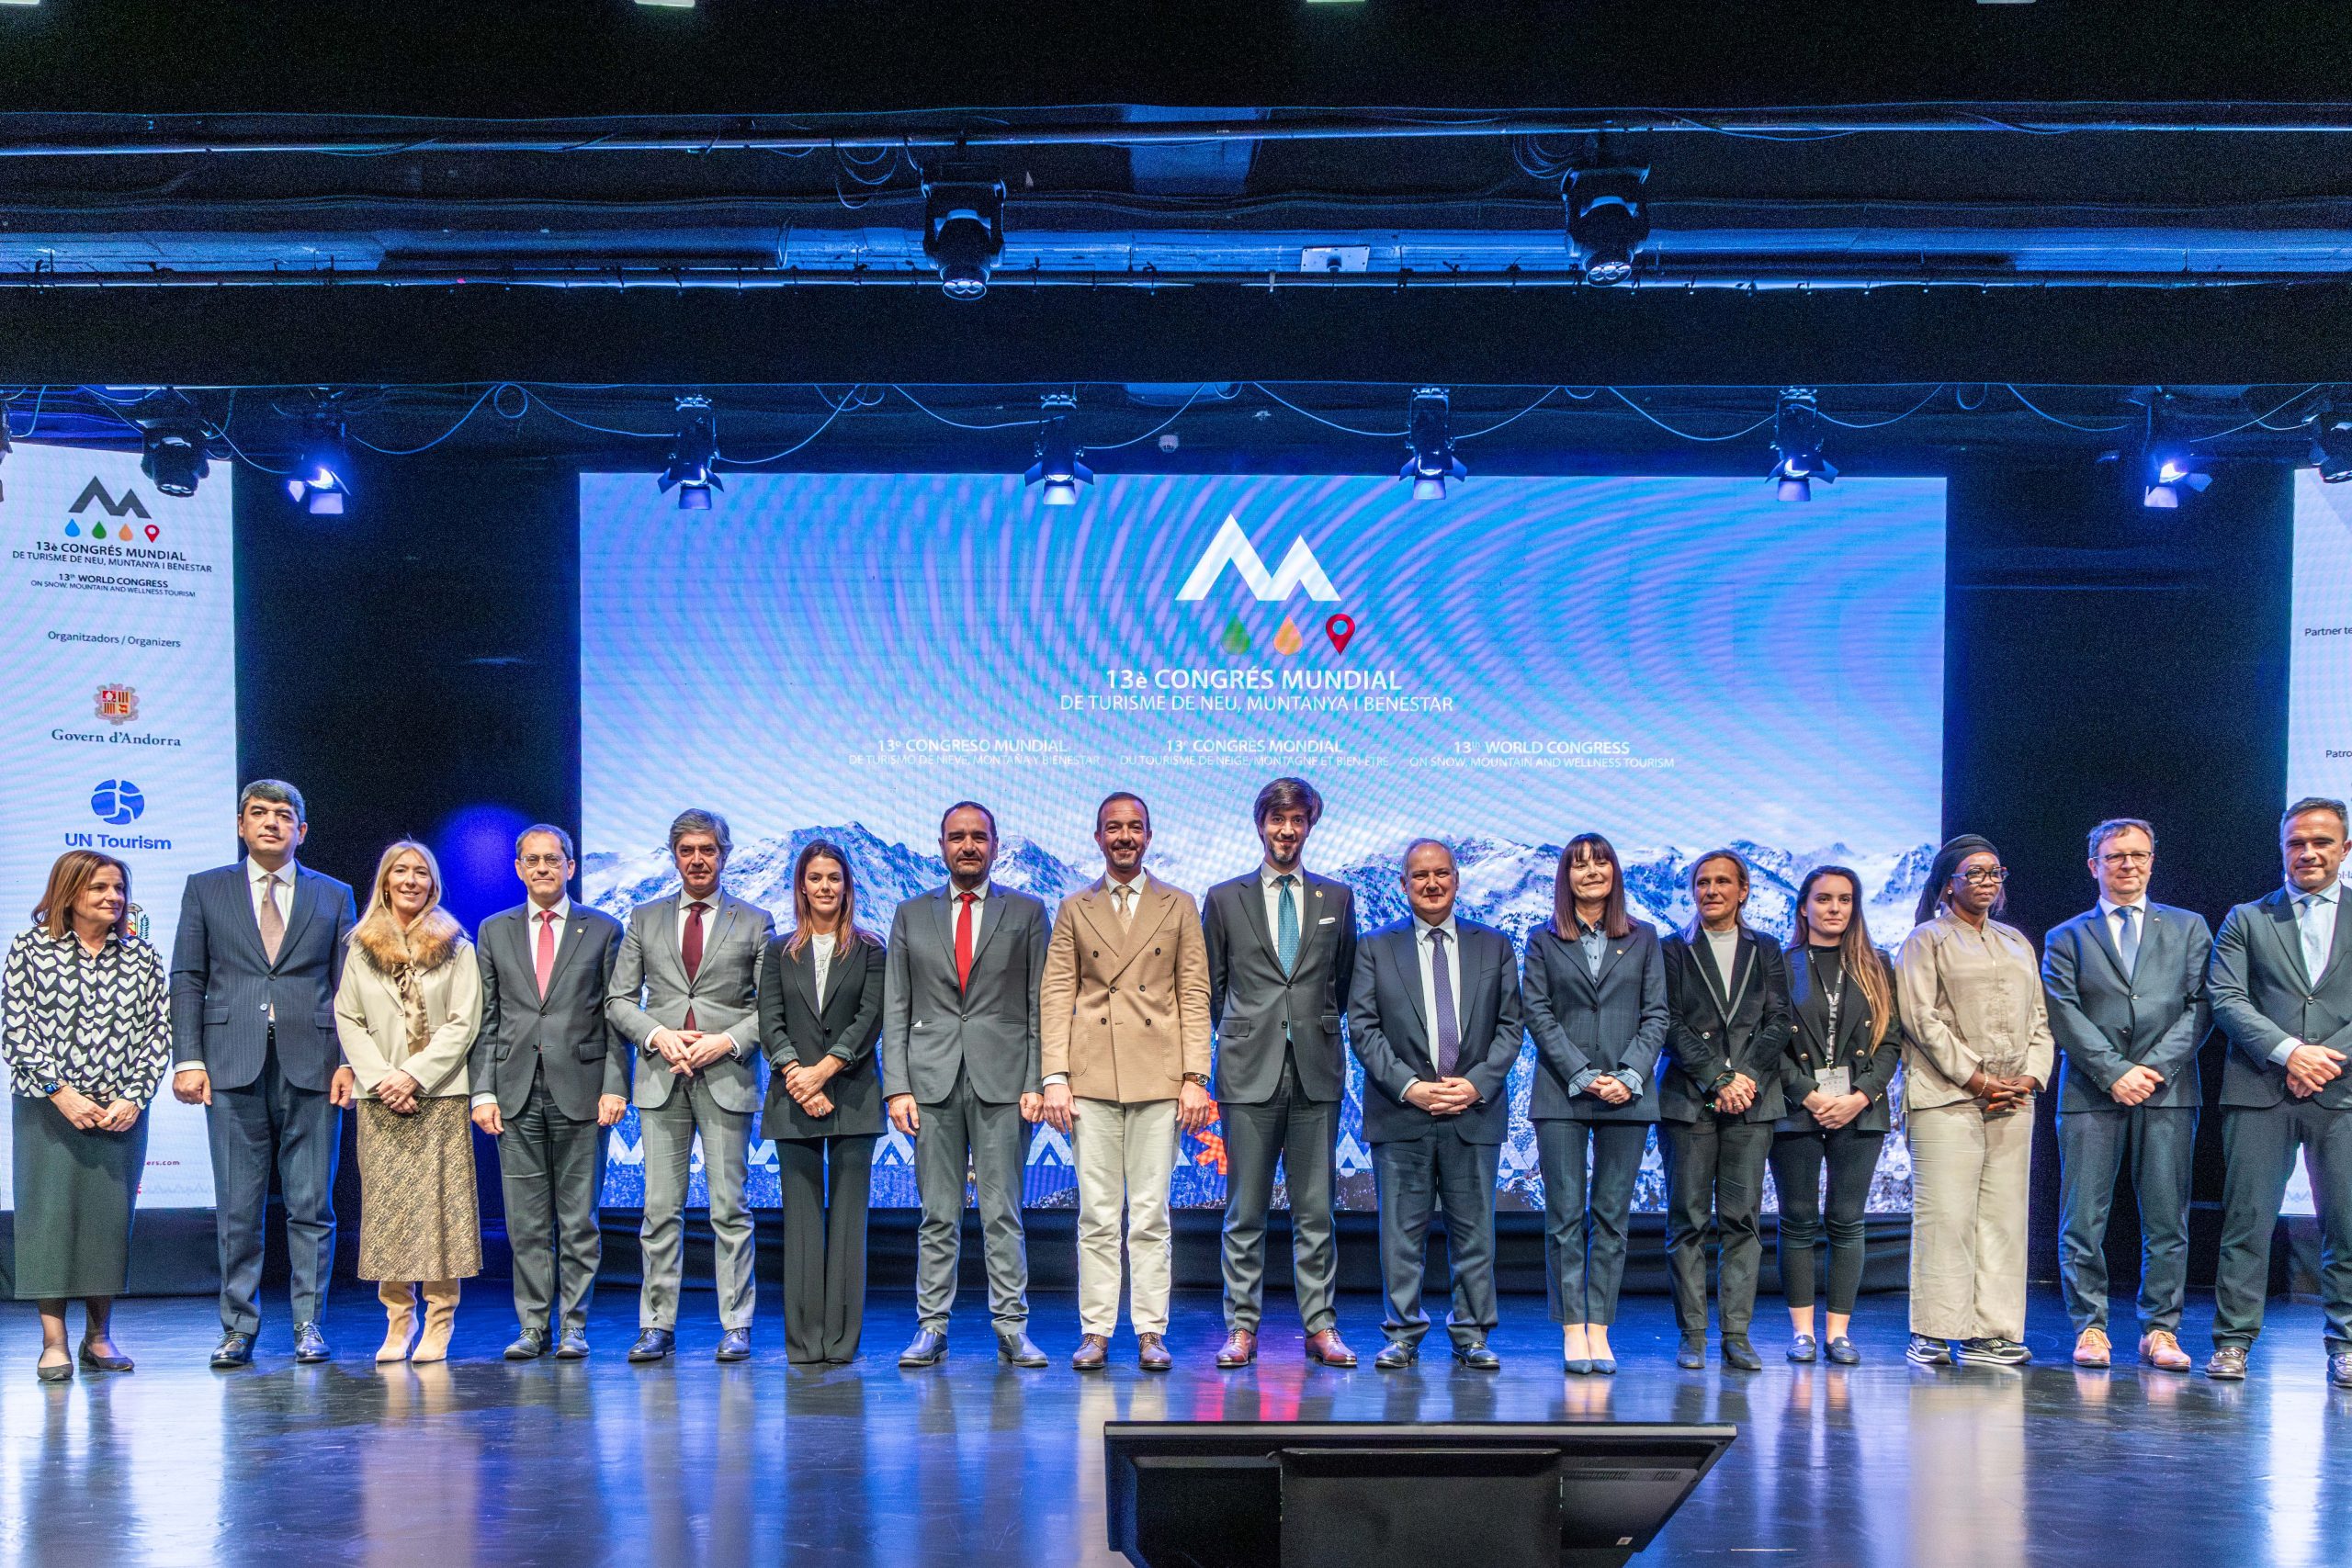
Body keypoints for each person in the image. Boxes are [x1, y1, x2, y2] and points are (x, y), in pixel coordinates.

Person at [168, 779, 358, 1369]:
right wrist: (188, 1057)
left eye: (283, 815)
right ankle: (237, 1327)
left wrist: (350, 1060)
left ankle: (308, 1324)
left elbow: (350, 985)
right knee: (237, 1207)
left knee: (312, 1205)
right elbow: (188, 977)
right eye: (259, 813)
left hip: (315, 1063)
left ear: (302, 830)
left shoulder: (334, 894)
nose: (271, 822)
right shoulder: (206, 888)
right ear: (241, 825)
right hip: (230, 1062)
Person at [1039, 793, 1215, 1371]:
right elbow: (1057, 995)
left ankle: (1150, 1331)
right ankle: (1095, 1330)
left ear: (1148, 836)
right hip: (1090, 1079)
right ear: (1098, 837)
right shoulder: (1074, 907)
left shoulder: (1179, 904)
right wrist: (1055, 1076)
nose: (1124, 837)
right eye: (1114, 828)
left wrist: (1195, 1076)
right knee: (1096, 1214)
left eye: (1134, 827)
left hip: (1159, 1078)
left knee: (1150, 1214)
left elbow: (1194, 995)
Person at [883, 801, 1052, 1371]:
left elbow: (1039, 1004)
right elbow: (897, 1005)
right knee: (938, 1214)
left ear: (995, 846)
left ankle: (1012, 1328)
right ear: (941, 846)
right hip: (930, 1082)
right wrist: (897, 1087)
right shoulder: (910, 913)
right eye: (957, 837)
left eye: (979, 836)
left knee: (1003, 1213)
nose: (968, 846)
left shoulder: (1027, 911)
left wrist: (1036, 1080)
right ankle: (931, 1327)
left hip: (1004, 1083)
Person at [2041, 818, 2211, 1373]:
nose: (2129, 865)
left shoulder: (2189, 927)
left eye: (2139, 855)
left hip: (2168, 1091)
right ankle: (2090, 1327)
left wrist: (2151, 1070)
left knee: (2166, 1218)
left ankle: (2161, 1330)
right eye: (2116, 856)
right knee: (2082, 1219)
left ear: (2152, 860)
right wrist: (2114, 1072)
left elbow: (2202, 1007)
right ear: (2095, 865)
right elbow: (2062, 1012)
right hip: (2090, 1091)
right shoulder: (2066, 936)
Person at [605, 808, 775, 1364]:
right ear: (674, 856)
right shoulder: (644, 918)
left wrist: (725, 1042)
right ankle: (656, 1324)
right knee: (660, 1210)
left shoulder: (755, 920)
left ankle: (737, 1324)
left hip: (726, 1075)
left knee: (730, 1209)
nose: (697, 860)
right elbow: (618, 1000)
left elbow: (771, 1007)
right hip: (662, 1077)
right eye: (687, 850)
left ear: (724, 855)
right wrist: (658, 1035)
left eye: (707, 850)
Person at [1202, 775, 1360, 1370]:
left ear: (1310, 826)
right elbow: (1213, 988)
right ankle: (1241, 1327)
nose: (1287, 830)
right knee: (1245, 1211)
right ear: (1260, 824)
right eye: (1277, 819)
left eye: (1297, 820)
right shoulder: (1224, 898)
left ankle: (1320, 1326)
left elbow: (1343, 981)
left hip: (1316, 1069)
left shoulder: (1337, 898)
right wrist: (1249, 1032)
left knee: (1315, 1211)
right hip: (1248, 1071)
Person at [1348, 839, 1524, 1371]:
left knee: (1475, 1233)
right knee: (1401, 1235)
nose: (1432, 884)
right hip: (1401, 1110)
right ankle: (1402, 1333)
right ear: (1403, 884)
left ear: (1456, 879)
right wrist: (1409, 1086)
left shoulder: (1493, 945)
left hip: (1473, 1110)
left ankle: (1472, 1334)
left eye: (1442, 873)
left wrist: (1475, 1084)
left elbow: (1510, 1027)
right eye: (1420, 875)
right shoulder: (1375, 947)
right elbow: (1363, 1028)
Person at [3, 852, 171, 1381]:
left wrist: (134, 1096)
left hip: (119, 1113)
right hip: (48, 1109)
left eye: (118, 888)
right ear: (69, 892)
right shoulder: (31, 948)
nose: (112, 897)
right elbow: (15, 1030)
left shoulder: (141, 956)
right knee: (48, 1221)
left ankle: (98, 1337)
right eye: (99, 887)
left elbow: (159, 1032)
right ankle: (53, 1342)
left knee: (107, 1223)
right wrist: (61, 1092)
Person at [2204, 796, 2352, 1388]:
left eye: (2321, 842)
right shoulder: (2247, 918)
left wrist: (2321, 1061)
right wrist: (2291, 1052)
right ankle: (2233, 1341)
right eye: (2297, 843)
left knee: (2346, 1226)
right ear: (2283, 849)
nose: (2308, 852)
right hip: (2259, 1090)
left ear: (2345, 848)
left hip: (2342, 1093)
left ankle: (2346, 1342)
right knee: (2247, 1223)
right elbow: (2226, 997)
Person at [469, 825, 628, 1361]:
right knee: (526, 1223)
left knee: (579, 1220)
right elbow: (487, 1017)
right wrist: (482, 1091)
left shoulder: (602, 929)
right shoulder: (494, 930)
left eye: (553, 860)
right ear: (519, 868)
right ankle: (533, 1325)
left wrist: (615, 1086)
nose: (542, 868)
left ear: (570, 867)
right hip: (514, 1092)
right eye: (532, 860)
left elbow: (614, 1017)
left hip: (583, 1090)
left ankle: (573, 1326)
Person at [1895, 834, 2052, 1369]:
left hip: (2013, 1099)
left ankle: (1992, 1334)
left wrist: (2030, 1077)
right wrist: (1977, 1078)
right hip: (1947, 1098)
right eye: (1975, 873)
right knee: (1947, 1217)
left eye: (1994, 872)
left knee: (2004, 1220)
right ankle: (1933, 1332)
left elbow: (2039, 1019)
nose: (1987, 881)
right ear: (1948, 885)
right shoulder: (1926, 940)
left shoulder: (2015, 942)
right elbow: (1921, 1020)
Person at [333, 840, 485, 1364]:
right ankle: (399, 1321)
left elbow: (464, 1022)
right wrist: (382, 1080)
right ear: (385, 881)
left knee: (442, 1212)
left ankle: (440, 1321)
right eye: (401, 871)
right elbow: (348, 1017)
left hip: (439, 1095)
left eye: (421, 872)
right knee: (388, 1213)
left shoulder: (458, 947)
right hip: (380, 1099)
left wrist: (414, 1076)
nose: (411, 880)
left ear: (433, 884)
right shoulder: (360, 948)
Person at [1521, 833, 1668, 1376]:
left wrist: (1629, 1075)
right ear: (1566, 877)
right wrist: (1582, 1074)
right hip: (1561, 1093)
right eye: (1579, 865)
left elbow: (1657, 1013)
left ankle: (1600, 1329)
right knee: (1564, 1218)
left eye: (1601, 862)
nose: (1591, 872)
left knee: (1611, 1217)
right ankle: (1572, 1328)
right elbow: (1537, 1012)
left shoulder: (1644, 937)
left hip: (1628, 1095)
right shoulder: (1542, 940)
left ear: (1614, 873)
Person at [1657, 849, 1793, 1371]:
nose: (1711, 890)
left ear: (1743, 891)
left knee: (1742, 1221)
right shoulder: (1673, 949)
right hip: (1689, 1101)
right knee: (1688, 1220)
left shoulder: (1767, 948)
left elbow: (1779, 1020)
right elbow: (1669, 1022)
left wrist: (1746, 1078)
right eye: (1702, 882)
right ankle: (1692, 1334)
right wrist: (1717, 1077)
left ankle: (1736, 1334)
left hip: (1751, 1103)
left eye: (1721, 882)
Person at [755, 840, 888, 1365]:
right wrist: (797, 1076)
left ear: (847, 886)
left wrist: (823, 1072)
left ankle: (841, 1342)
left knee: (849, 1227)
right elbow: (770, 1020)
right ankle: (805, 1343)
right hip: (793, 1099)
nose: (825, 886)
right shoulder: (778, 950)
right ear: (802, 887)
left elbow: (869, 1019)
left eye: (834, 877)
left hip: (853, 1096)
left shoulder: (871, 949)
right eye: (815, 878)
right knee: (802, 1226)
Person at [1769, 865, 1902, 1366]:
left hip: (1859, 1109)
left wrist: (1860, 1095)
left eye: (1845, 899)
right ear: (1804, 906)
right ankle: (1802, 1333)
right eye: (1824, 898)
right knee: (1797, 1220)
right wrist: (1807, 1093)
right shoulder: (1780, 965)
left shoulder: (1877, 965)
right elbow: (1768, 1043)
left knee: (1847, 1220)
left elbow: (1891, 1042)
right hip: (1796, 1107)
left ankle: (1839, 1334)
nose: (1834, 908)